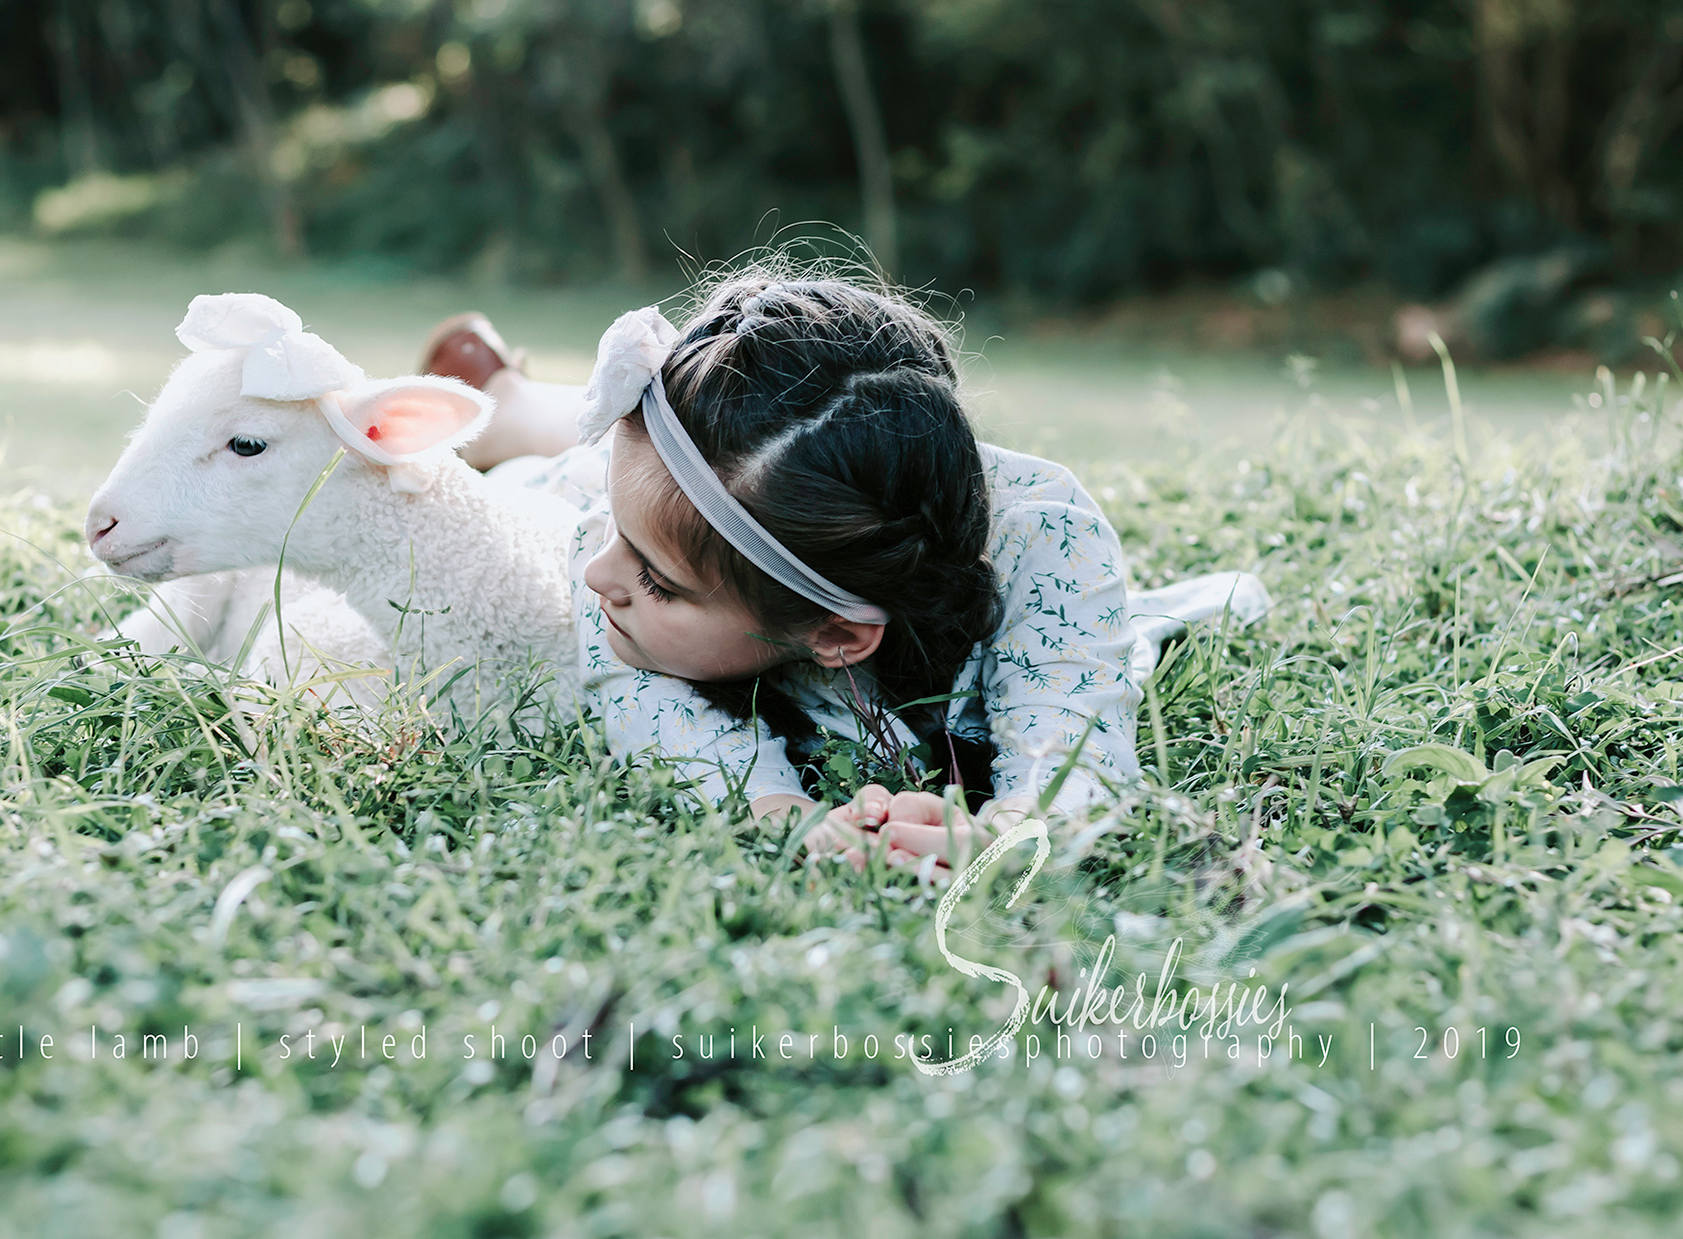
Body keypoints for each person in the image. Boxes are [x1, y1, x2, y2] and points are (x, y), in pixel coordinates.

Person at [417, 274, 1256, 879]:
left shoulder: (1048, 537)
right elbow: (647, 705)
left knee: (665, 503)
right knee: (536, 478)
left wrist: (1011, 829)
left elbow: (1074, 756)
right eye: (618, 543)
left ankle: (512, 399)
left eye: (660, 585)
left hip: (718, 512)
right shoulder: (613, 547)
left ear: (838, 634)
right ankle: (504, 401)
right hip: (604, 489)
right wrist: (780, 813)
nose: (601, 574)